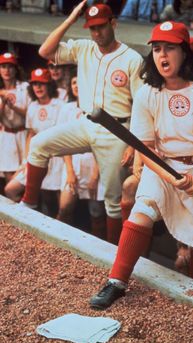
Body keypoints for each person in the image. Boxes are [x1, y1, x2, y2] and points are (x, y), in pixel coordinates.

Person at [89, 21, 193, 309]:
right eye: (157, 49)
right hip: (164, 166)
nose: (162, 55)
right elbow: (146, 149)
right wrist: (169, 177)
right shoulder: (147, 92)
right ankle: (116, 281)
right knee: (141, 212)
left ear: (184, 52)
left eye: (169, 48)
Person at [20, 1, 143, 244]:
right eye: (92, 28)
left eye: (101, 27)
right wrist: (70, 19)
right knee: (39, 145)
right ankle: (29, 204)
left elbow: (141, 106)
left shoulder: (132, 58)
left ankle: (113, 254)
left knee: (112, 200)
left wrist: (134, 145)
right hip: (86, 123)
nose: (97, 33)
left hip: (117, 130)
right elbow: (45, 52)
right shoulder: (85, 47)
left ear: (113, 24)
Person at [5, 68, 65, 217]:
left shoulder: (59, 105)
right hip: (36, 155)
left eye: (42, 84)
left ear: (49, 85)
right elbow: (31, 134)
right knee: (10, 189)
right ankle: (25, 219)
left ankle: (55, 230)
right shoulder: (32, 106)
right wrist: (25, 160)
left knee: (52, 199)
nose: (38, 87)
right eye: (35, 84)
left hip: (55, 156)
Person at [56, 69, 107, 238]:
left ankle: (97, 252)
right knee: (65, 207)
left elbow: (103, 144)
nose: (77, 86)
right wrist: (70, 171)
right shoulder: (67, 109)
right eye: (73, 82)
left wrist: (94, 175)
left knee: (97, 214)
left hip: (94, 164)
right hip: (73, 162)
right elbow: (62, 142)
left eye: (80, 82)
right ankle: (59, 243)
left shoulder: (99, 110)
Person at [0, 52, 30, 184]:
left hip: (24, 133)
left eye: (10, 67)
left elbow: (31, 115)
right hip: (7, 134)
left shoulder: (25, 87)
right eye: (3, 66)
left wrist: (13, 107)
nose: (7, 70)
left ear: (15, 69)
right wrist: (3, 102)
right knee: (9, 177)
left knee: (27, 175)